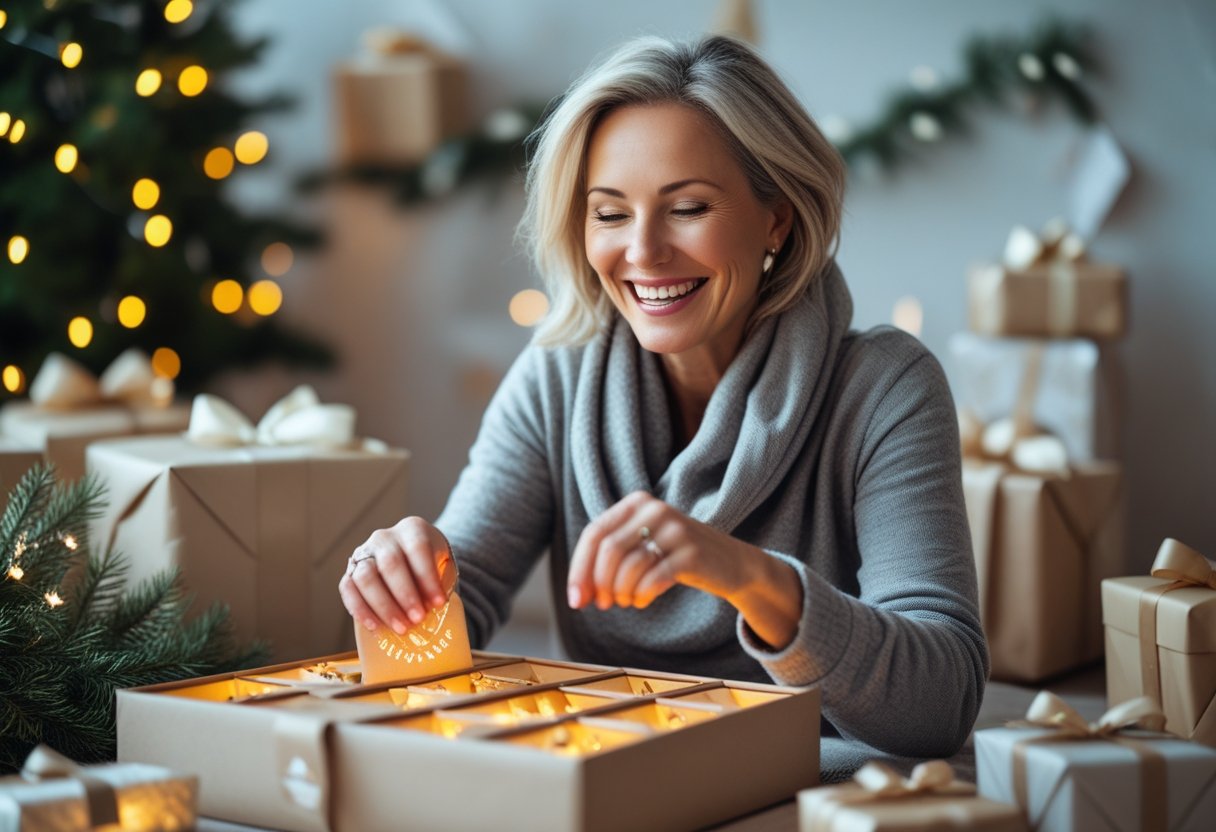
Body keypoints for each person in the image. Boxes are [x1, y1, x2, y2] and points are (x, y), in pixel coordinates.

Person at [339, 33, 987, 779]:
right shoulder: (556, 376)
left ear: (775, 216)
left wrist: (751, 578)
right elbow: (465, 592)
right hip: (615, 785)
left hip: (814, 796)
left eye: (686, 207)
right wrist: (405, 579)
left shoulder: (885, 388)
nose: (643, 252)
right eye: (609, 214)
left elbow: (942, 701)